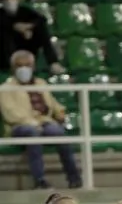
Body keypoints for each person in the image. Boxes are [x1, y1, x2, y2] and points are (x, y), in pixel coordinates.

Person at [0, 50, 82, 190]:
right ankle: (40, 180)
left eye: (27, 65)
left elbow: (52, 103)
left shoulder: (40, 83)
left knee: (59, 133)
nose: (23, 69)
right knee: (32, 134)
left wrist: (60, 112)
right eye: (19, 65)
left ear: (33, 67)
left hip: (44, 122)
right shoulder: (5, 89)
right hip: (19, 126)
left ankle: (74, 178)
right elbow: (10, 114)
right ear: (13, 68)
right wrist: (32, 122)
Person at [0, 0, 63, 74]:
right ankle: (10, 66)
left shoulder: (25, 12)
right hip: (4, 54)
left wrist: (28, 27)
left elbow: (41, 19)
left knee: (40, 29)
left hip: (26, 46)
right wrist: (13, 26)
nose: (9, 0)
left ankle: (52, 63)